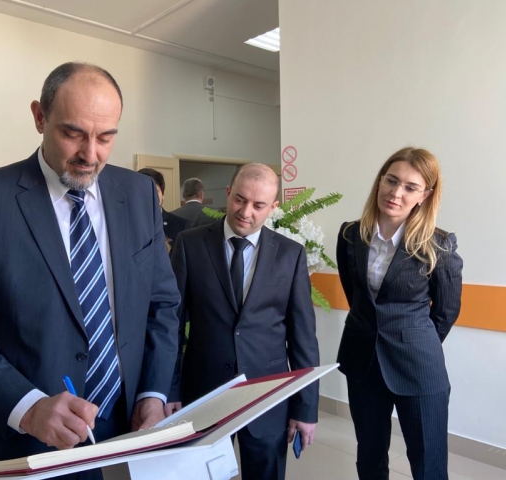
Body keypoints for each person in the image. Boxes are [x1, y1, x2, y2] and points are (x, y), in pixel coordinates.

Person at [0, 62, 180, 479]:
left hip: (129, 429)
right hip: (28, 442)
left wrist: (153, 392)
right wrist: (29, 408)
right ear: (40, 117)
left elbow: (162, 305)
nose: (90, 154)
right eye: (73, 133)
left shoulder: (138, 194)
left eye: (106, 137)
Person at [167, 163, 320, 480]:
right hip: (203, 392)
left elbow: (303, 337)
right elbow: (171, 324)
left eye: (258, 205)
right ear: (228, 193)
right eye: (239, 199)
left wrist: (305, 408)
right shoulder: (190, 244)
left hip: (266, 396)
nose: (245, 212)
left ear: (273, 207)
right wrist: (169, 390)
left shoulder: (290, 254)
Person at [336, 147, 463, 480]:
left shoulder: (439, 245)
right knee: (369, 457)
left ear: (425, 195)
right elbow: (356, 297)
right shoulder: (351, 235)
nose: (396, 192)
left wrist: (413, 341)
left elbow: (446, 312)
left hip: (418, 365)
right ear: (380, 181)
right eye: (391, 181)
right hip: (363, 361)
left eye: (410, 187)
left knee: (428, 463)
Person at [138, 168, 188, 253]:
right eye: (144, 191)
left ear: (163, 194)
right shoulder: (127, 225)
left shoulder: (181, 225)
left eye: (155, 191)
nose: (150, 195)